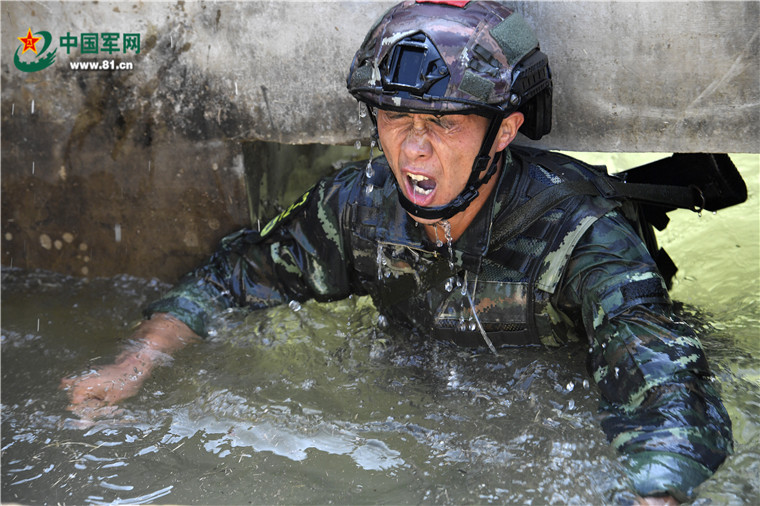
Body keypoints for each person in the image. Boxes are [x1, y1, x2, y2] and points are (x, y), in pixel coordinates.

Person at [61, 1, 732, 503]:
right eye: (395, 118)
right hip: (420, 416)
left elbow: (661, 375)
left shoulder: (581, 234)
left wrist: (657, 491)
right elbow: (235, 276)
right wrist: (137, 361)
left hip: (556, 421)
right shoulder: (359, 207)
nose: (413, 149)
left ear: (503, 133)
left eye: (442, 123)